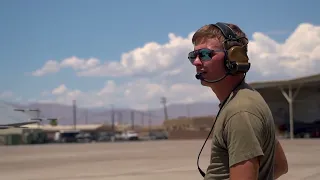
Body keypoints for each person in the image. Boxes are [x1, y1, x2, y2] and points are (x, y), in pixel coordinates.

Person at [188, 22, 288, 180]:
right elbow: (280, 165)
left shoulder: (240, 112)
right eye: (193, 56)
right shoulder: (243, 100)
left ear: (234, 57)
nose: (196, 62)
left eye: (205, 54)